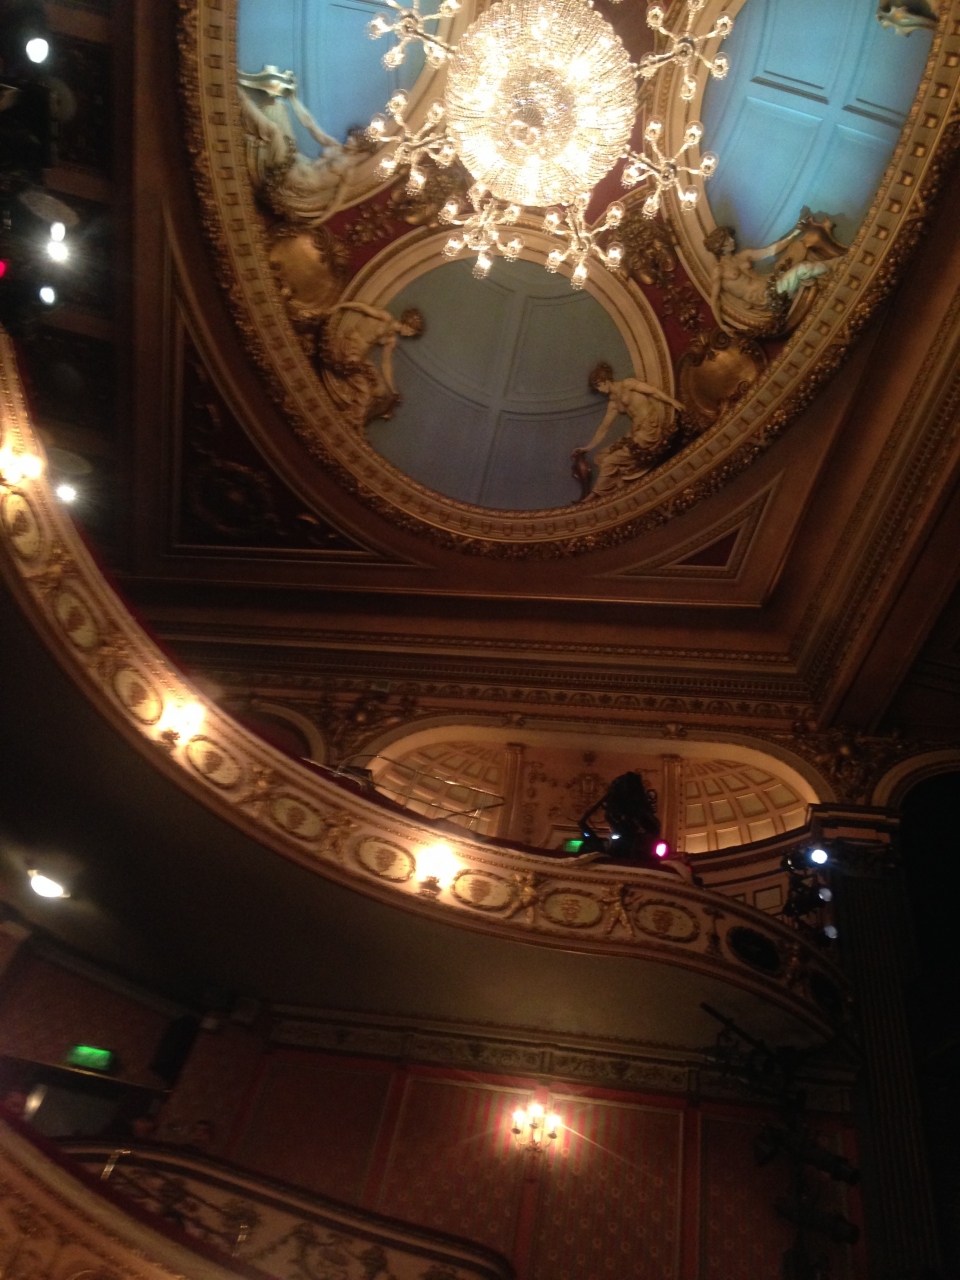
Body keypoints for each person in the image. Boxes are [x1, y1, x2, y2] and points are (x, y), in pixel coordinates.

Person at [238, 66, 374, 224]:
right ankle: (247, 113)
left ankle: (242, 100)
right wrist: (294, 100)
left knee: (274, 131)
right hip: (292, 163)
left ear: (360, 147)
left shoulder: (348, 170)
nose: (349, 139)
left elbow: (337, 201)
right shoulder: (335, 146)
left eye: (354, 139)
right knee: (278, 108)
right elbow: (311, 125)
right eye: (351, 136)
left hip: (293, 178)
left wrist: (319, 221)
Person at [704, 216, 842, 333]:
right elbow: (714, 299)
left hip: (772, 285)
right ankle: (839, 265)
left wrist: (796, 232)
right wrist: (721, 325)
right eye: (727, 240)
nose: (732, 240)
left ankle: (836, 264)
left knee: (801, 259)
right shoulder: (719, 271)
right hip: (765, 298)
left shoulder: (743, 256)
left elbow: (770, 251)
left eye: (730, 238)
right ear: (720, 246)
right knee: (803, 268)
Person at [572, 363, 684, 500]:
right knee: (600, 457)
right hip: (635, 432)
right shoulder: (613, 403)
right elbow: (603, 428)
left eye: (599, 386)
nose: (600, 390)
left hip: (649, 429)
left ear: (605, 381)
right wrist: (588, 447)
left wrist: (673, 402)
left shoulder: (627, 384)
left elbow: (653, 391)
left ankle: (594, 496)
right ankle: (620, 483)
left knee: (608, 462)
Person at [318, 302, 425, 426]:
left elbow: (386, 364)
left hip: (359, 357)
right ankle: (350, 420)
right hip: (350, 347)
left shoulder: (391, 339)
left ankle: (353, 416)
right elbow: (360, 306)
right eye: (411, 331)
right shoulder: (386, 318)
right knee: (365, 391)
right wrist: (337, 306)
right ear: (407, 324)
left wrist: (392, 389)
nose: (410, 334)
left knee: (380, 390)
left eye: (412, 334)